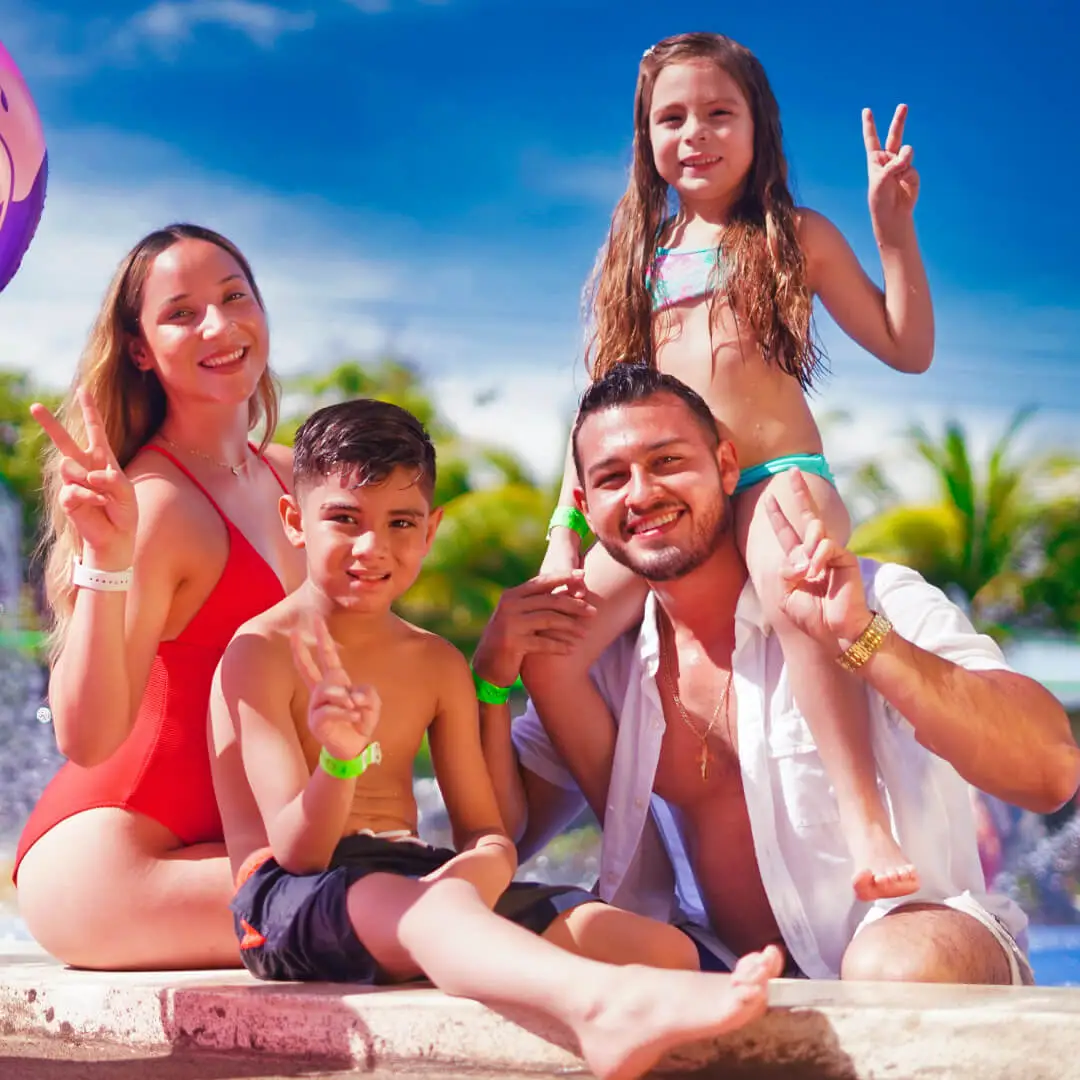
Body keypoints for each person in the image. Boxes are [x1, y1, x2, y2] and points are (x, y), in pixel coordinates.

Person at [207, 398, 784, 1080]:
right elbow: (299, 853)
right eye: (344, 520)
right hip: (288, 899)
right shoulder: (261, 653)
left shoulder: (436, 664)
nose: (373, 547)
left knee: (650, 945)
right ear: (295, 521)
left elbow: (488, 831)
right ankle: (601, 1014)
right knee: (425, 908)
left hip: (420, 879)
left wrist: (479, 871)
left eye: (400, 523)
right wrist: (338, 759)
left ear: (431, 529)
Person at [486, 365, 1080, 983]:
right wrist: (493, 680)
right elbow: (504, 836)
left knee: (893, 968)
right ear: (586, 505)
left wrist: (863, 641)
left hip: (912, 934)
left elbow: (1051, 772)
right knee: (517, 934)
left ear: (726, 464)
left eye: (667, 462)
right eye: (613, 478)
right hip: (719, 962)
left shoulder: (867, 597)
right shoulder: (605, 665)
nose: (641, 494)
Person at [528, 31, 935, 901]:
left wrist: (893, 231)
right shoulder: (640, 263)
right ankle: (629, 846)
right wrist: (565, 532)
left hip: (773, 476)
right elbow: (603, 420)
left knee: (794, 587)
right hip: (668, 495)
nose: (696, 134)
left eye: (720, 113)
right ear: (647, 139)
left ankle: (865, 819)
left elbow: (908, 347)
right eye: (672, 118)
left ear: (760, 129)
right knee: (549, 646)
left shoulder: (795, 236)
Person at [14, 224, 305, 970]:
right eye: (181, 312)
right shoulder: (159, 504)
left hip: (240, 840)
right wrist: (105, 559)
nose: (219, 325)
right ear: (140, 347)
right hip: (112, 867)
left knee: (429, 884)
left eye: (235, 297)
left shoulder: (291, 476)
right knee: (385, 905)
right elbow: (86, 740)